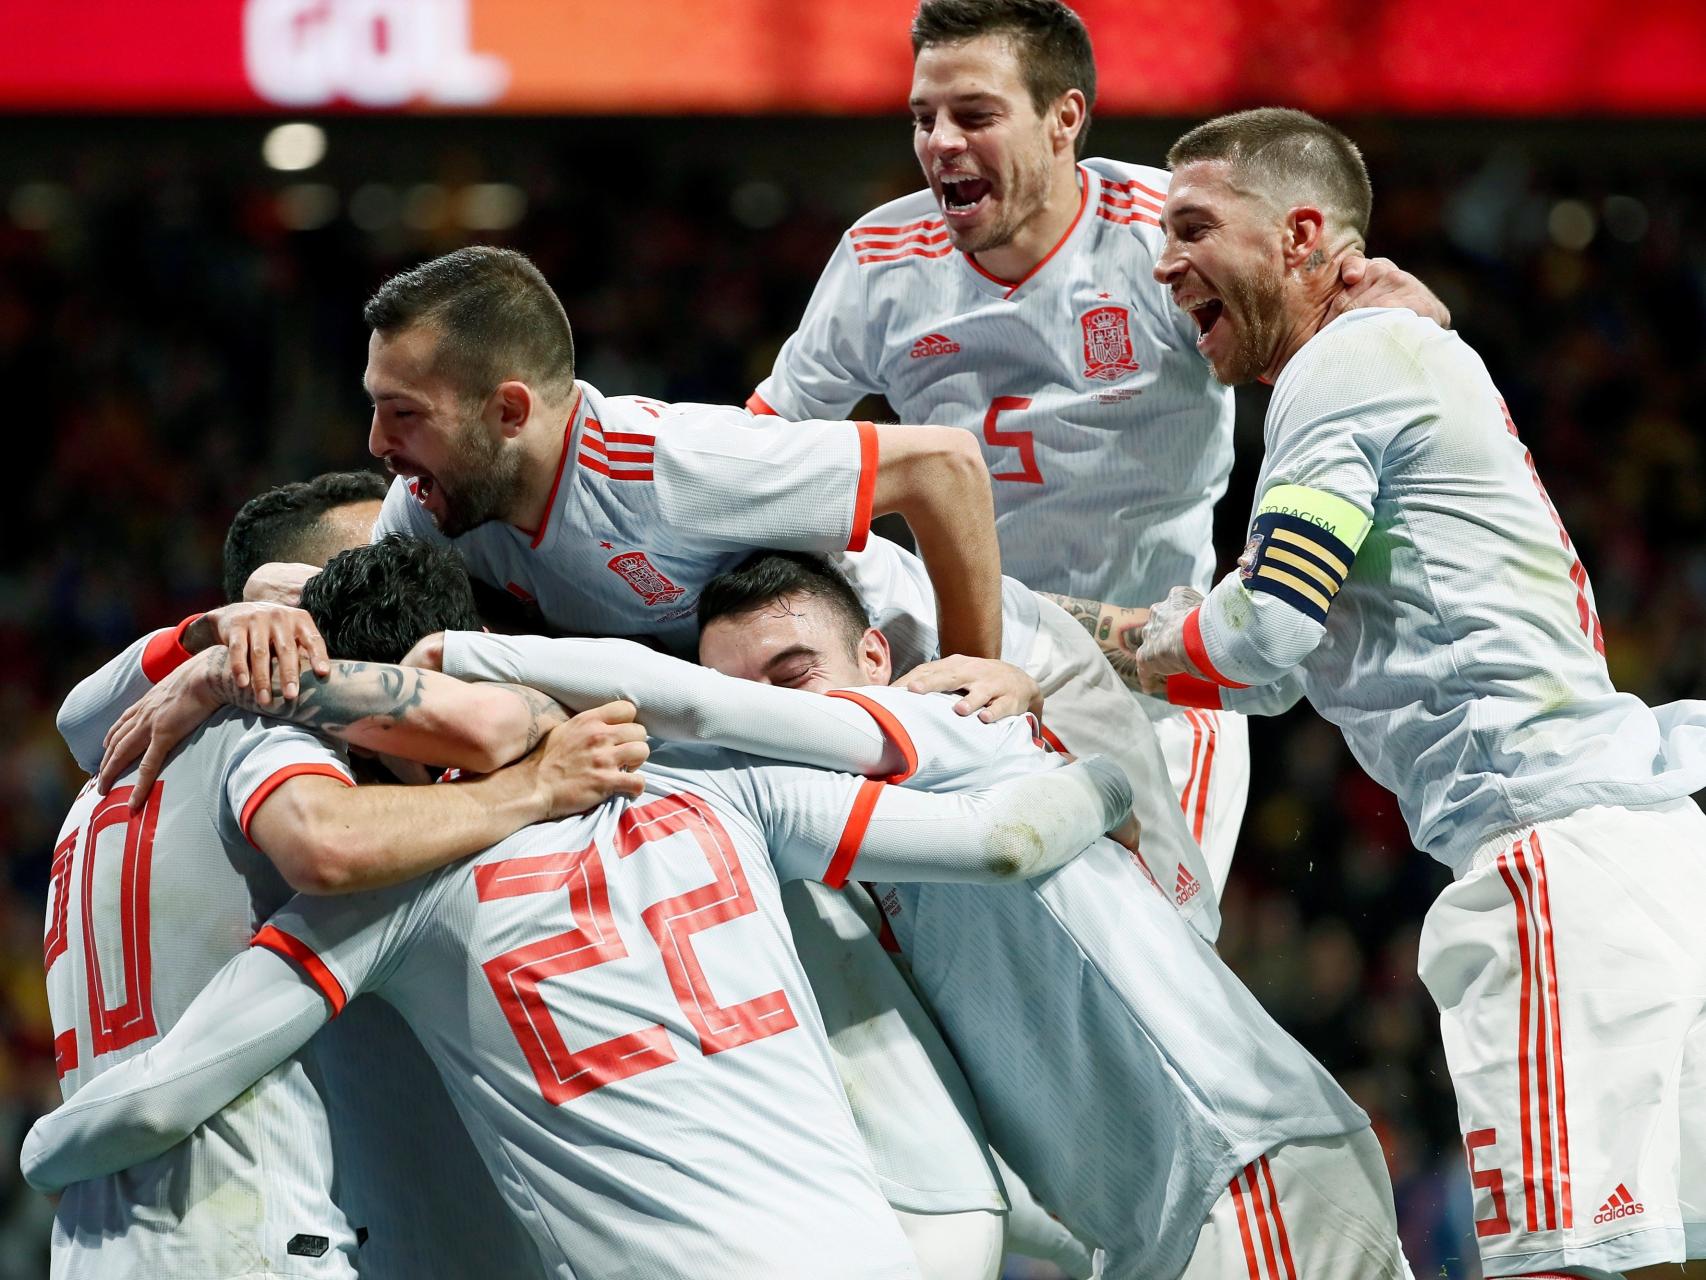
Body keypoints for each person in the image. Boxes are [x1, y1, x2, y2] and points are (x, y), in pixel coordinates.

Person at [24, 537, 1138, 1280]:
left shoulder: (395, 902)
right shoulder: (721, 792)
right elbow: (1003, 840)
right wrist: (1107, 775)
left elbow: (153, 1100)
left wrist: (44, 1152)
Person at [1135, 107, 1706, 1280]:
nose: (1161, 259)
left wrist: (1096, 635)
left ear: (1300, 234)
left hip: (1553, 864)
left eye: (1193, 224)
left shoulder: (1339, 365)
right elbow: (1270, 670)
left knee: (1565, 1261)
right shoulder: (1402, 351)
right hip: (1634, 849)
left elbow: (1262, 629)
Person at [748, 0, 1450, 898]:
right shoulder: (881, 258)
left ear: (1064, 118)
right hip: (960, 670)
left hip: (1148, 673)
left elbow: (1337, 331)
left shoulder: (1171, 235)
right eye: (923, 117)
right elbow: (767, 444)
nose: (939, 144)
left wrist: (1389, 313)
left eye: (974, 115)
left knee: (1159, 963)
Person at [687, 551, 1410, 1280]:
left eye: (789, 678)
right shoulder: (835, 859)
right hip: (1159, 1225)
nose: (767, 717)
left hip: (1233, 1171)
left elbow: (948, 471)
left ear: (875, 657)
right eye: (739, 698)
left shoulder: (947, 717)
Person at [36, 535, 639, 1279]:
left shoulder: (105, 774)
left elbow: (76, 717)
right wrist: (530, 789)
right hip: (239, 1221)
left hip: (95, 1235)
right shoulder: (272, 724)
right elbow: (326, 842)